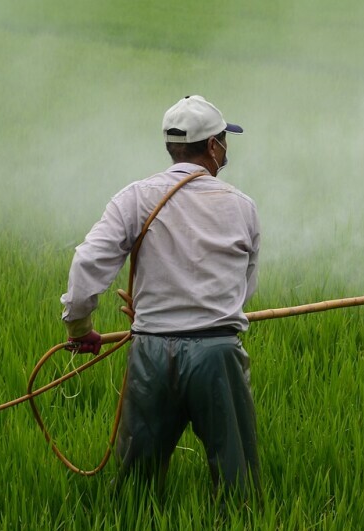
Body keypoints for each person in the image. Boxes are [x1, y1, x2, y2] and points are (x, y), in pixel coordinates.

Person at [59, 95, 261, 501]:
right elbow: (244, 287)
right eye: (224, 139)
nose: (225, 148)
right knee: (238, 485)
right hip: (217, 353)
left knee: (137, 487)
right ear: (212, 146)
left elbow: (87, 263)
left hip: (151, 352)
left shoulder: (135, 197)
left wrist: (80, 327)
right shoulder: (241, 207)